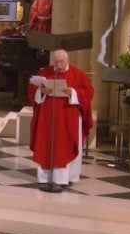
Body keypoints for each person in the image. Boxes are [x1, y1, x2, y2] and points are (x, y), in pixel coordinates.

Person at [28, 49, 94, 189]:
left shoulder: (77, 74)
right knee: (46, 144)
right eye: (56, 62)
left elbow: (88, 92)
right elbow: (32, 90)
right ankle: (45, 178)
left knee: (65, 146)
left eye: (61, 62)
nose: (58, 65)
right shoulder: (44, 72)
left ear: (67, 60)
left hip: (68, 118)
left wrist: (73, 92)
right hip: (47, 118)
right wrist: (41, 91)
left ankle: (65, 178)